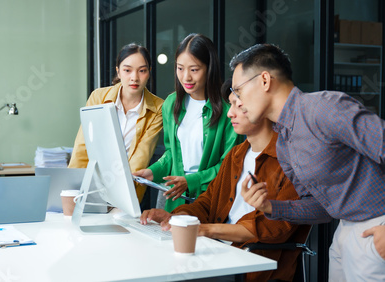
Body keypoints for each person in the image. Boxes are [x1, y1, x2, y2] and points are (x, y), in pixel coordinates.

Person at [230, 43, 385, 281]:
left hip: (377, 225)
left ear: (264, 80)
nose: (237, 102)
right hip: (345, 232)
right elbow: (321, 209)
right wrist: (270, 207)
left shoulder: (324, 108)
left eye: (238, 91)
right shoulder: (284, 143)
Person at [140, 78, 310, 281]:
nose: (230, 113)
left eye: (239, 105)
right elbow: (208, 202)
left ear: (262, 105)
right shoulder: (236, 154)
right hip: (215, 253)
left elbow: (273, 228)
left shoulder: (290, 160)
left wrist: (205, 230)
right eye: (231, 105)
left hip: (251, 264)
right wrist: (178, 218)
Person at [133, 33, 239, 212]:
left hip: (210, 201)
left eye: (194, 70)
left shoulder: (229, 112)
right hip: (176, 199)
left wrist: (191, 181)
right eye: (180, 68)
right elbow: (171, 155)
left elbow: (228, 166)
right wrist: (151, 172)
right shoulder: (171, 104)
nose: (186, 77)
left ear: (209, 68)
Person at [69, 43, 164, 202]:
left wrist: (123, 200)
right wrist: (73, 190)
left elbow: (141, 157)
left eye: (142, 70)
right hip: (91, 184)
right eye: (127, 70)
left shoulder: (158, 108)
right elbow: (83, 146)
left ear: (149, 72)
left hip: (126, 189)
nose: (134, 77)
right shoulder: (98, 97)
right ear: (118, 71)